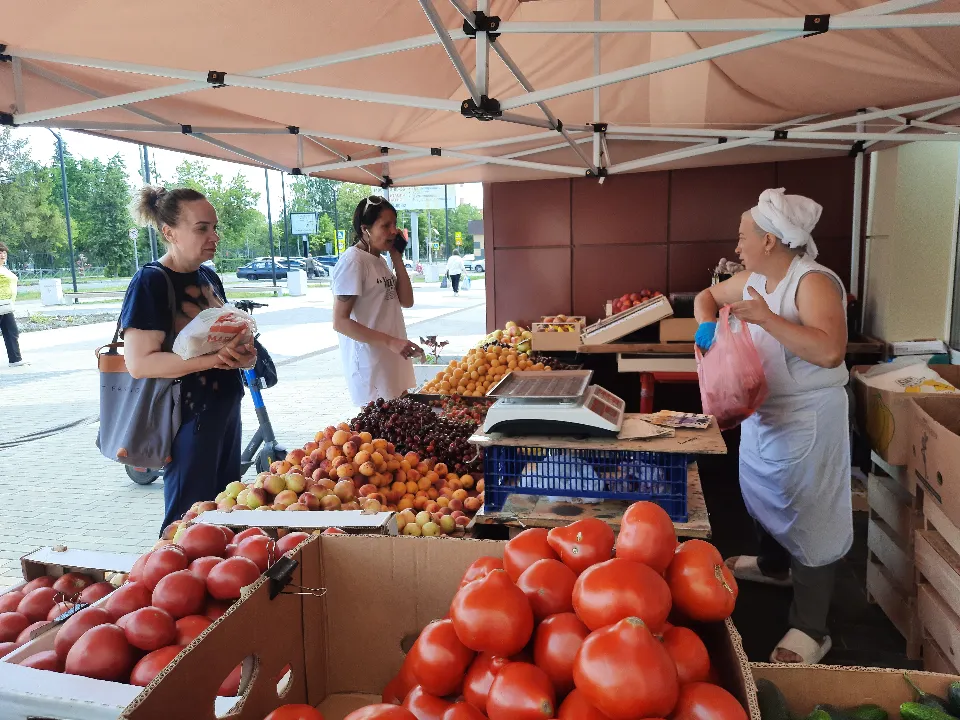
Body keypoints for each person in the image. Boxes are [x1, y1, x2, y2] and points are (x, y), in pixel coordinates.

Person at [693, 188, 851, 665]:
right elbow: (706, 296)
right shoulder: (754, 278)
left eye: (743, 237)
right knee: (764, 493)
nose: (737, 246)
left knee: (812, 514)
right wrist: (707, 328)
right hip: (765, 414)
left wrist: (766, 318)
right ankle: (773, 566)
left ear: (769, 240)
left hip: (809, 420)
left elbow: (830, 351)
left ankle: (812, 626)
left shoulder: (813, 282)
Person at [123, 186, 256, 533]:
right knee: (187, 525)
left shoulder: (208, 277)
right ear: (169, 233)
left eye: (215, 227)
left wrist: (242, 355)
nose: (215, 236)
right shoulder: (151, 282)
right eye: (202, 228)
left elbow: (218, 342)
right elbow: (139, 363)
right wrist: (212, 361)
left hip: (224, 409)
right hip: (187, 418)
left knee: (223, 519)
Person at [332, 195, 422, 406]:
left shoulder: (379, 259)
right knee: (380, 425)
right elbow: (340, 322)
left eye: (395, 224)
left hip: (392, 359)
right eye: (385, 225)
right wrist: (390, 342)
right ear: (366, 229)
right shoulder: (353, 261)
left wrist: (396, 256)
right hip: (371, 366)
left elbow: (406, 301)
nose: (394, 231)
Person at [0, 242, 26, 367]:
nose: (2, 255)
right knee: (11, 331)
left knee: (12, 332)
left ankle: (15, 360)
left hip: (6, 306)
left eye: (4, 252)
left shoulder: (4, 268)